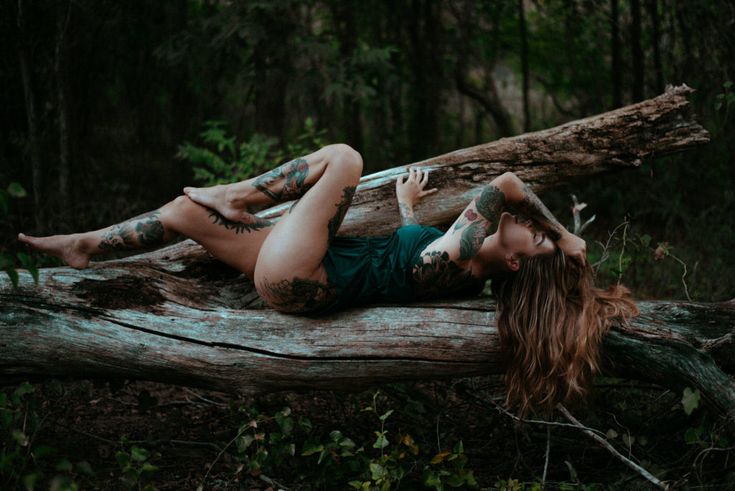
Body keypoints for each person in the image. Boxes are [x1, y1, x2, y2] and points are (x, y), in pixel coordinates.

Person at [18, 143, 637, 419]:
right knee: (184, 215)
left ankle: (234, 194)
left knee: (345, 159)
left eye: (539, 237)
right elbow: (409, 257)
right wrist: (407, 209)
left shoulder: (476, 249)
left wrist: (569, 234)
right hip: (307, 277)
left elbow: (506, 185)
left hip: (303, 275)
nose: (534, 228)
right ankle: (84, 247)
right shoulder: (460, 264)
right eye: (542, 230)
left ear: (517, 261)